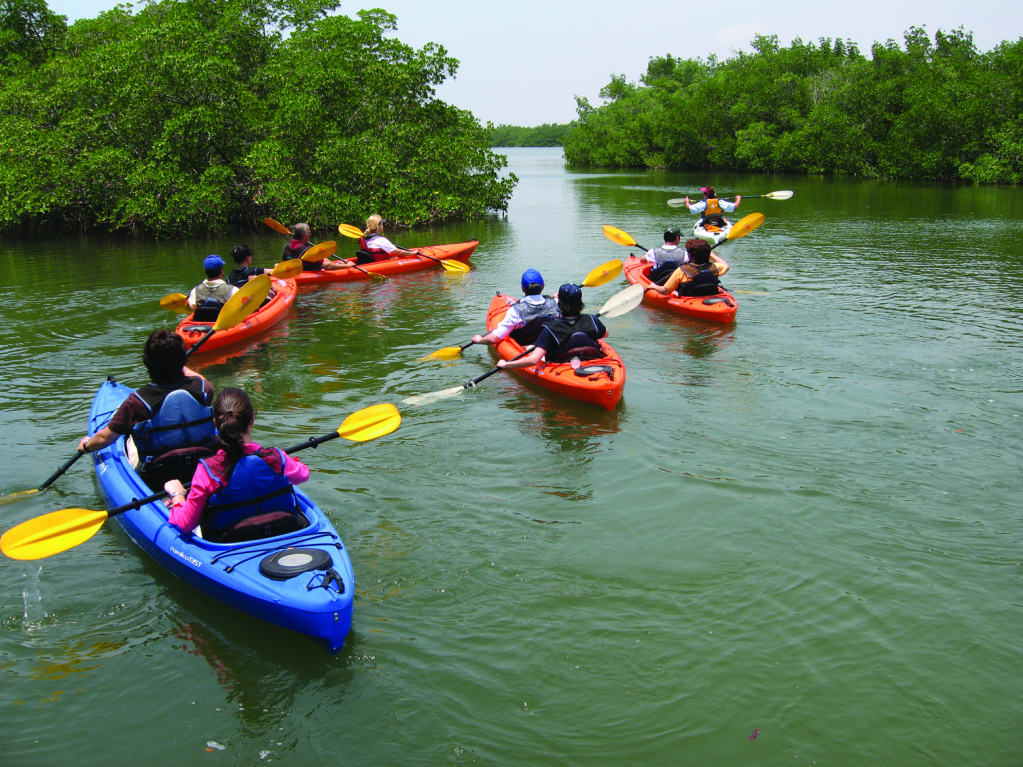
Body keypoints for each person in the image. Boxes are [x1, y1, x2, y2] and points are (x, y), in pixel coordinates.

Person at [163, 388, 310, 543]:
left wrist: (177, 495)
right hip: (283, 531)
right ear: (252, 420)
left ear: (215, 422)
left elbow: (186, 524)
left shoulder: (208, 471)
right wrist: (292, 462)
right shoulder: (276, 458)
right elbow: (303, 475)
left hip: (229, 545)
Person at [77, 329, 216, 490]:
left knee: (127, 436)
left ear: (146, 362)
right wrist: (178, 363)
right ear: (182, 362)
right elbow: (199, 379)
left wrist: (86, 446)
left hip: (159, 479)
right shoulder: (205, 389)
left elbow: (103, 438)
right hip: (202, 468)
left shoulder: (137, 402)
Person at [497, 284, 607, 369]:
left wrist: (506, 364)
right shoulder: (592, 319)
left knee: (532, 349)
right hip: (593, 360)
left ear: (558, 304)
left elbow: (534, 360)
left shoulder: (550, 328)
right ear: (581, 303)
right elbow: (605, 334)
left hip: (561, 366)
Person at [472, 268, 561, 346]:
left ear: (522, 288)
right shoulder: (556, 303)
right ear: (543, 286)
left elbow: (495, 338)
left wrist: (480, 340)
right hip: (548, 345)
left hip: (524, 345)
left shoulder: (515, 311)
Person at [646, 239, 728, 298]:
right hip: (709, 295)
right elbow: (726, 265)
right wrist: (712, 255)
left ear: (690, 255)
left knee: (674, 290)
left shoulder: (682, 271)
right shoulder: (714, 268)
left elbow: (665, 291)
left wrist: (654, 286)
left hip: (689, 297)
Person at [187, 255, 239, 322]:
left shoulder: (195, 291)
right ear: (221, 270)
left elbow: (193, 306)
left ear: (205, 272)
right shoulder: (233, 290)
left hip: (202, 324)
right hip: (224, 325)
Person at [355, 214, 423, 264]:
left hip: (369, 263)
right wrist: (413, 253)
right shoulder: (381, 240)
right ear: (379, 226)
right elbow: (398, 252)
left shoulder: (362, 239)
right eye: (382, 223)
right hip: (378, 265)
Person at [281, 223, 345, 273]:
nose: (310, 234)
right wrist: (347, 265)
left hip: (293, 273)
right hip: (308, 274)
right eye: (309, 232)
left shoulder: (287, 246)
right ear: (303, 236)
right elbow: (327, 266)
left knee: (332, 261)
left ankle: (338, 263)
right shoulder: (307, 250)